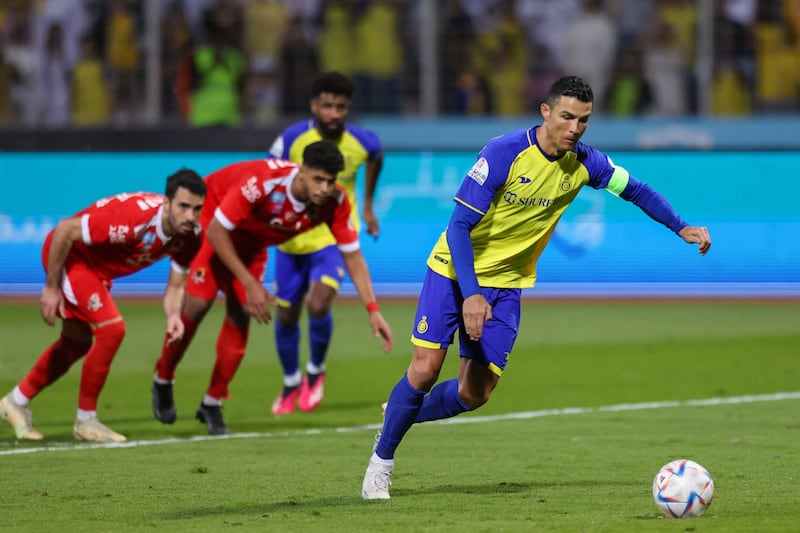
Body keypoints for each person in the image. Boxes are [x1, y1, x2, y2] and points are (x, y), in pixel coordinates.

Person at [360, 76, 712, 500]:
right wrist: (470, 294)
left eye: (583, 120)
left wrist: (681, 226)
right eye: (566, 117)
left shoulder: (587, 163)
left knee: (476, 393)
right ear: (545, 112)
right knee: (425, 368)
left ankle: (400, 412)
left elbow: (635, 190)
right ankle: (381, 464)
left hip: (507, 285)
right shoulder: (503, 153)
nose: (575, 128)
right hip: (454, 273)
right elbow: (457, 227)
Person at [151, 140, 393, 435]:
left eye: (330, 181)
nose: (324, 188)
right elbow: (217, 231)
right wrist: (250, 282)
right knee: (198, 305)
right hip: (214, 225)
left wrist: (373, 309)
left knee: (242, 314)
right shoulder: (262, 184)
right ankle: (163, 377)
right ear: (301, 171)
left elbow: (353, 257)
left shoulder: (334, 202)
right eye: (318, 179)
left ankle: (212, 402)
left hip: (253, 245)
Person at [0, 170, 207, 443]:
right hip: (70, 259)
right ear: (167, 204)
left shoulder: (190, 236)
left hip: (96, 271)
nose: (190, 216)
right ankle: (86, 421)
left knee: (76, 343)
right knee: (112, 329)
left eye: (197, 209)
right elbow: (65, 231)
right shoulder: (132, 220)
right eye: (183, 207)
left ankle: (14, 402)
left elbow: (176, 286)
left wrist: (173, 317)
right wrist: (51, 288)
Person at [266, 72, 383, 415]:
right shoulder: (291, 140)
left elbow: (376, 158)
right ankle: (290, 381)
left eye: (341, 107)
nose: (334, 113)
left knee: (318, 304)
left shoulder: (364, 142)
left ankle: (315, 371)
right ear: (314, 105)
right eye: (327, 106)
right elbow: (269, 173)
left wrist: (367, 205)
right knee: (286, 315)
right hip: (291, 236)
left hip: (334, 235)